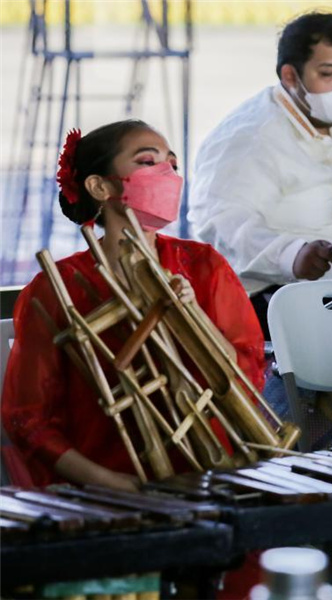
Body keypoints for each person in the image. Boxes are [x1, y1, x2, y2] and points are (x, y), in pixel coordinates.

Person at [1, 120, 265, 492]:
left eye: (171, 164)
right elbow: (27, 418)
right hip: (105, 483)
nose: (167, 175)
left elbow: (247, 375)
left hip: (210, 473)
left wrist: (192, 320)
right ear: (99, 186)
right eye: (147, 162)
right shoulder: (54, 288)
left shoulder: (205, 266)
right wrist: (110, 483)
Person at [188, 11, 332, 338]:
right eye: (328, 73)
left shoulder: (331, 126)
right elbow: (219, 223)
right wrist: (291, 254)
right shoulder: (252, 138)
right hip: (274, 304)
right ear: (290, 76)